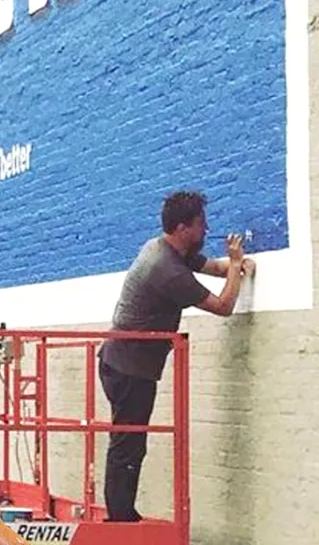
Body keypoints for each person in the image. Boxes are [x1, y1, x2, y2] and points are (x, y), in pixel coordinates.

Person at [97, 191, 255, 523]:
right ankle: (120, 521)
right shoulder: (167, 269)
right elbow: (223, 306)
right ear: (183, 228)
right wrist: (236, 264)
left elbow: (214, 267)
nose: (206, 229)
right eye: (201, 224)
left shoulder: (167, 249)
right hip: (129, 367)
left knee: (129, 441)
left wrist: (237, 265)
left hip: (124, 362)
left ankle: (122, 515)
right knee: (128, 444)